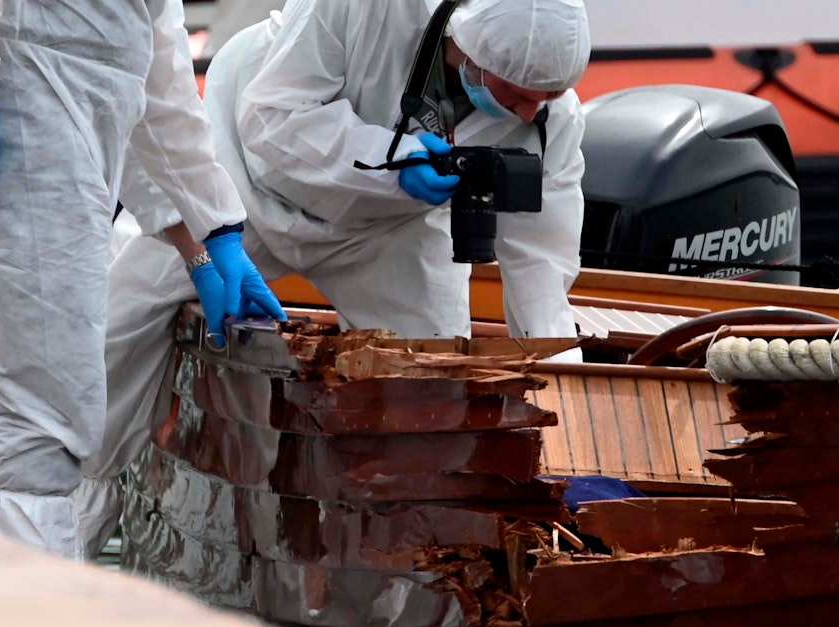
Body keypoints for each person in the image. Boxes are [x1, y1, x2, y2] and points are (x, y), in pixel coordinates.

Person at [82, 0, 590, 553]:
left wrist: (569, 428)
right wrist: (392, 160)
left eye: (545, 99)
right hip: (238, 186)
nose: (522, 113)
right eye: (514, 93)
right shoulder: (362, 6)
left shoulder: (548, 120)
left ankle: (413, 562)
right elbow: (272, 118)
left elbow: (543, 269)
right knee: (117, 325)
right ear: (467, 43)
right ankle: (55, 534)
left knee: (432, 395)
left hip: (385, 229)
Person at [0, 0, 285, 558]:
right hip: (29, 137)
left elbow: (160, 79)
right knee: (43, 421)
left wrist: (215, 234)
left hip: (69, 162)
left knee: (14, 412)